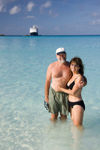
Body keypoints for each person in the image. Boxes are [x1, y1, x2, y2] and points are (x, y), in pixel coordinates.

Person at [55, 57, 87, 127]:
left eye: (76, 65)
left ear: (79, 67)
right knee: (74, 127)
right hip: (70, 103)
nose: (73, 67)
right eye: (72, 65)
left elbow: (73, 92)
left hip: (77, 104)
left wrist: (60, 89)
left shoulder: (79, 77)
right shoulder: (72, 76)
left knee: (78, 127)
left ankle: (88, 137)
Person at [44, 48, 72, 121]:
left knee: (64, 117)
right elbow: (47, 81)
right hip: (53, 93)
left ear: (66, 55)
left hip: (65, 94)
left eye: (63, 54)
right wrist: (46, 97)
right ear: (56, 56)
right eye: (59, 55)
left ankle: (63, 131)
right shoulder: (51, 66)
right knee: (53, 116)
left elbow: (77, 77)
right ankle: (53, 131)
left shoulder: (71, 66)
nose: (61, 56)